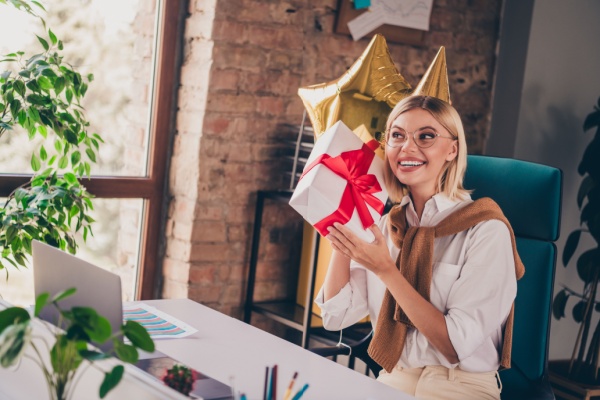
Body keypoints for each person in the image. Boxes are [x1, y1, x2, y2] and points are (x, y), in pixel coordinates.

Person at [315, 95, 522, 400]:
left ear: (452, 149)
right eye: (397, 135)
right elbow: (336, 316)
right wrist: (346, 229)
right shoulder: (387, 226)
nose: (407, 147)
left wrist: (386, 271)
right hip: (394, 379)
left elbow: (454, 346)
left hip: (461, 386)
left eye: (425, 136)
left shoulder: (486, 231)